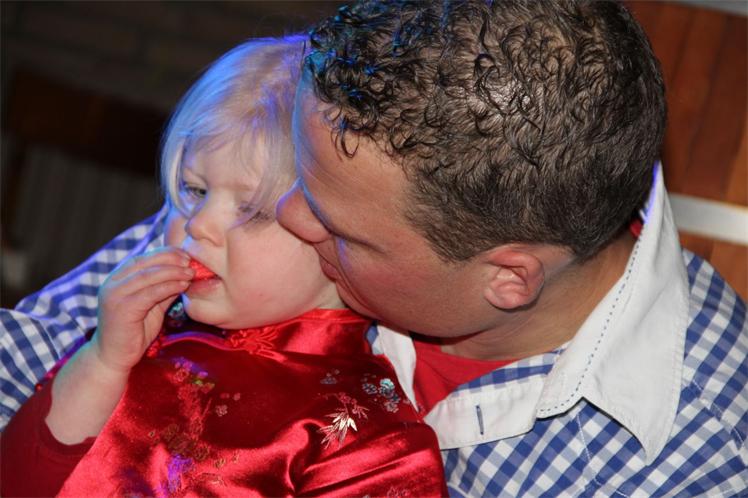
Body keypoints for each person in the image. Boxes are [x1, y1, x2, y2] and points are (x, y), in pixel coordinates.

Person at [1, 1, 746, 496]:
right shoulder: (315, 189)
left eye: (337, 225)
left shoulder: (697, 465)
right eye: (300, 181)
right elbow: (27, 360)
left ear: (508, 278)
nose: (289, 215)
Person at [1, 35, 446, 498]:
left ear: (340, 235)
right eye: (195, 191)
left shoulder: (371, 440)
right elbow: (15, 483)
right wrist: (102, 361)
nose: (199, 225)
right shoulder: (139, 332)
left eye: (251, 211)